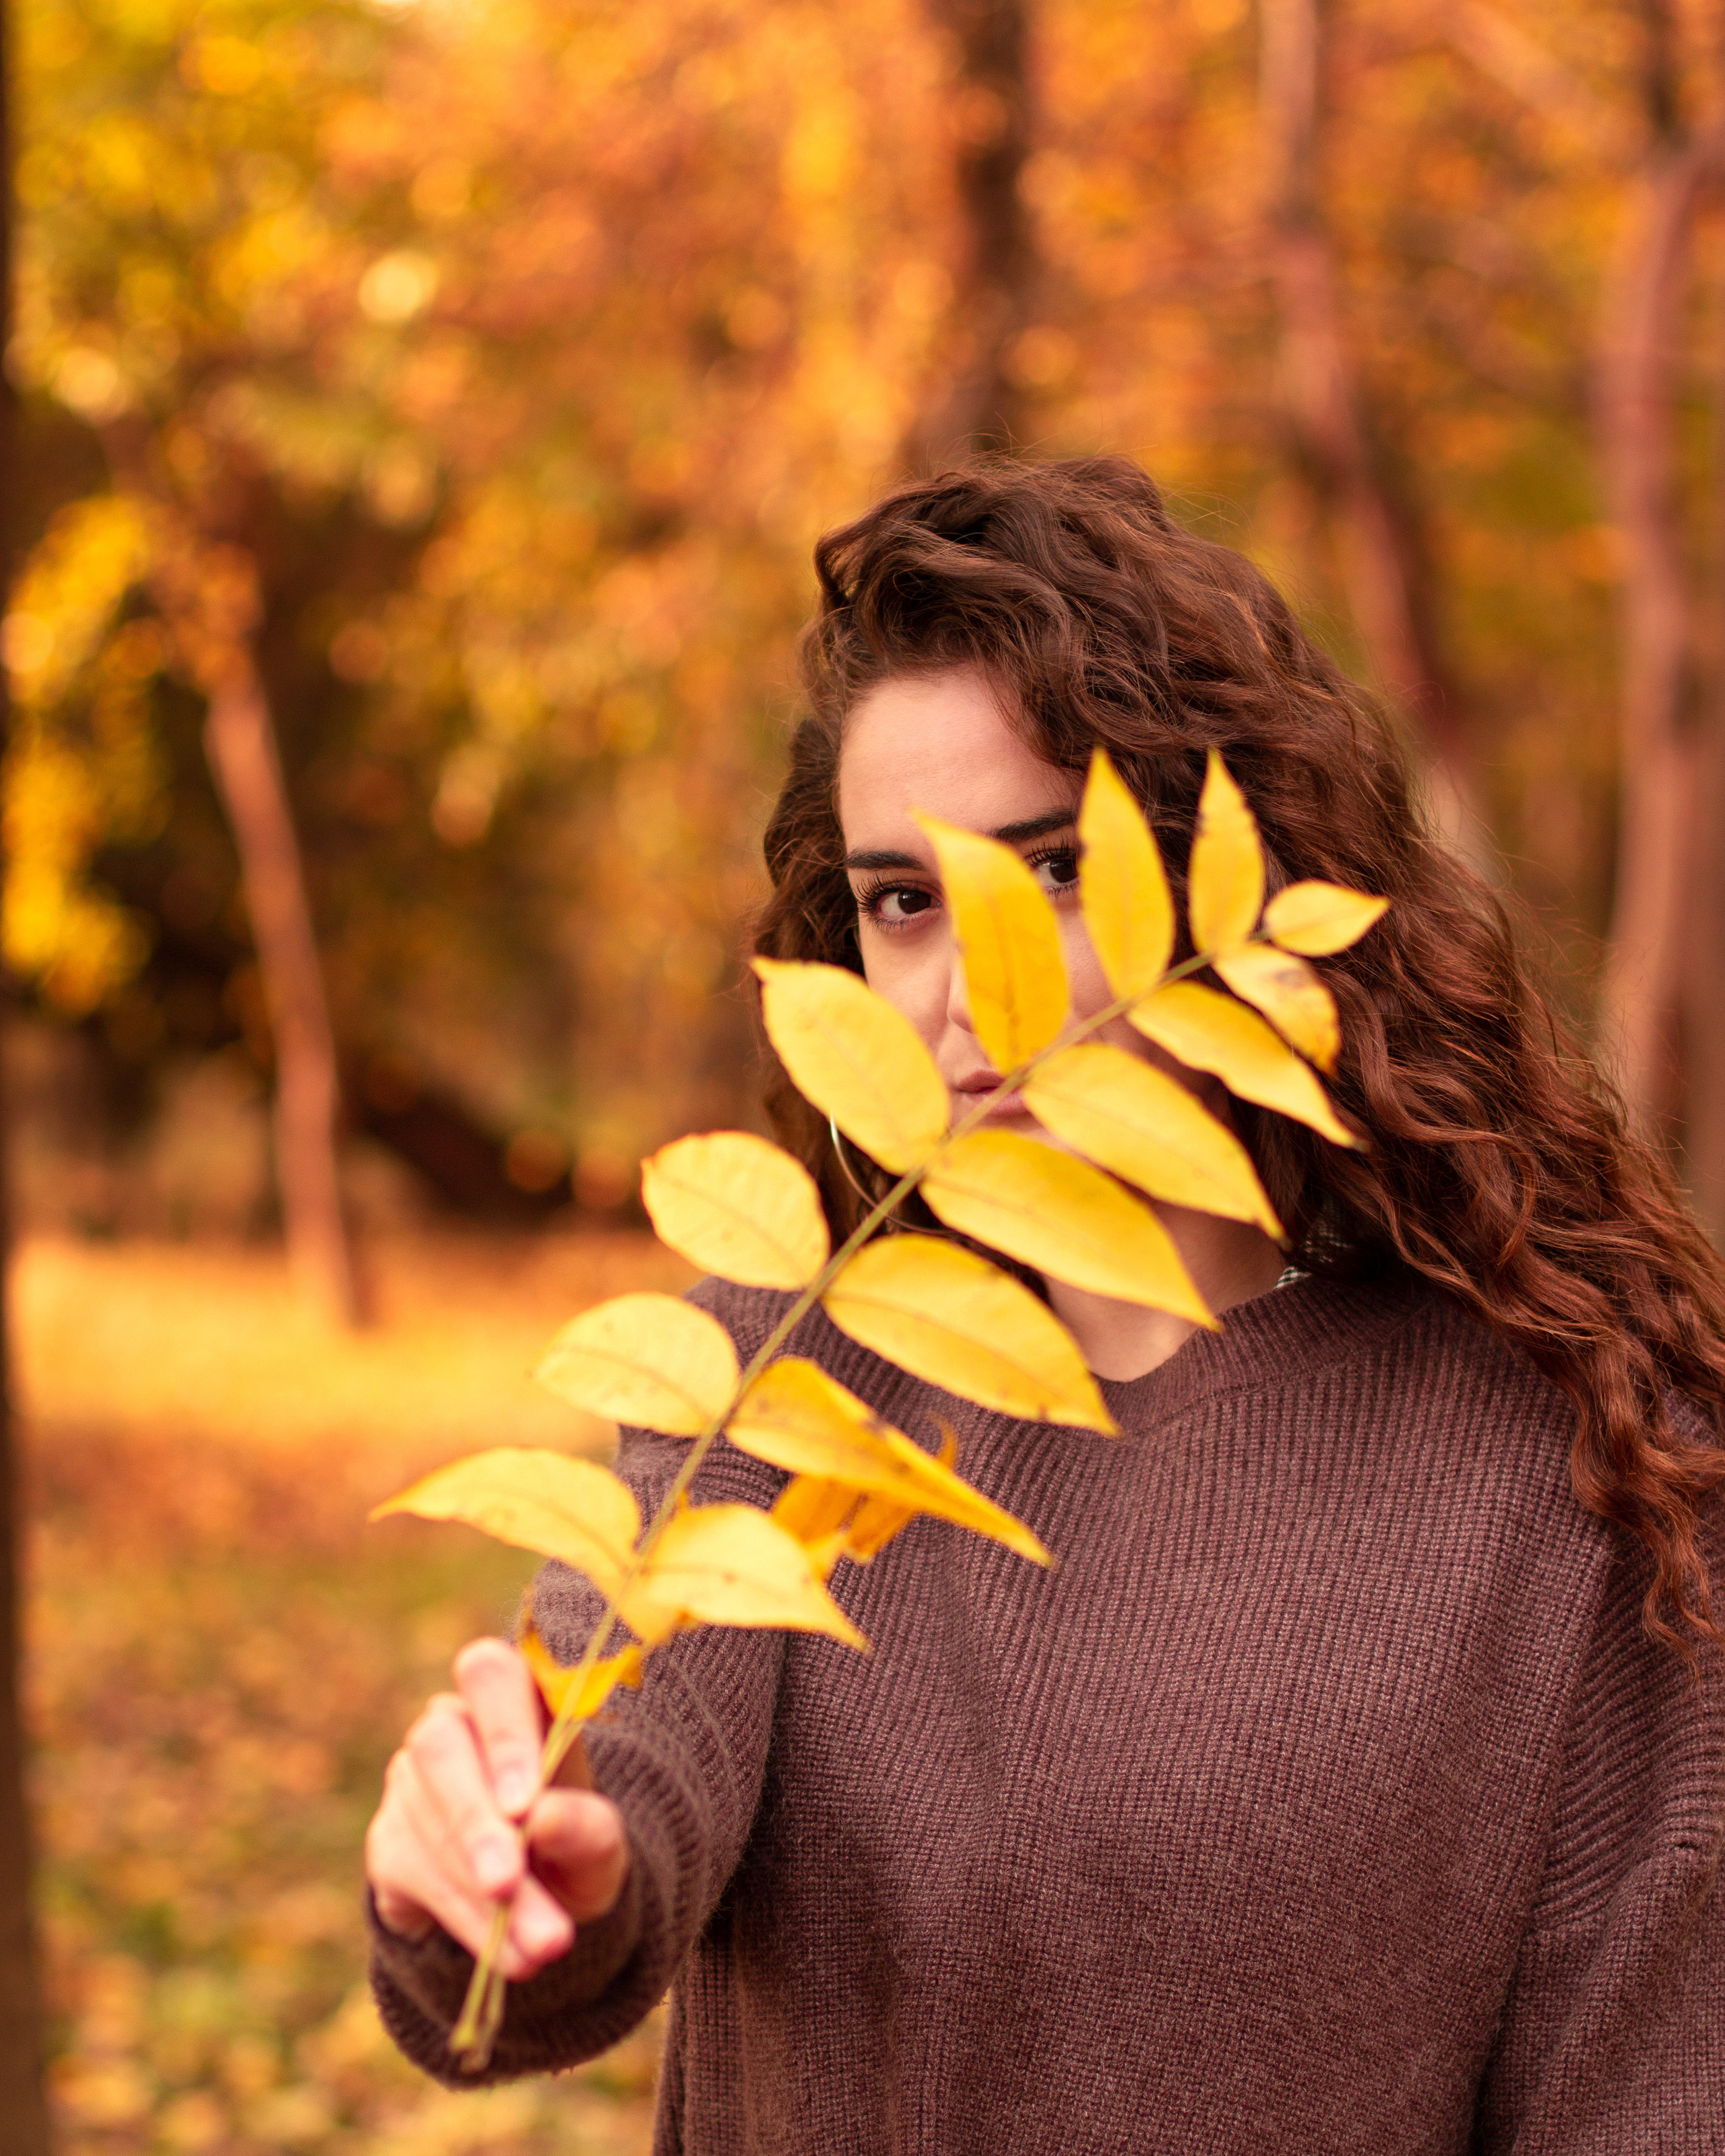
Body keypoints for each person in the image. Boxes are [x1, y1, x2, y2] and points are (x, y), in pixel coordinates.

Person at [364, 457, 1725, 2153]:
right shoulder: (775, 1380)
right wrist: (514, 1854)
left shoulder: (1578, 1464)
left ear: (1228, 899)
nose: (962, 996)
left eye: (1050, 873)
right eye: (901, 903)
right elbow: (623, 1758)